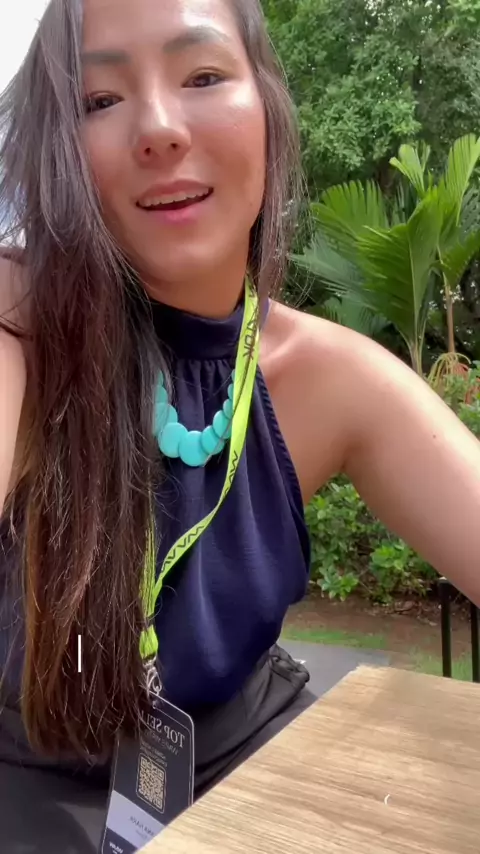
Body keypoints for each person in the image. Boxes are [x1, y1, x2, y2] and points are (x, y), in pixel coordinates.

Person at [1, 0, 480, 850]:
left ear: (266, 106)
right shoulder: (16, 326)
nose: (158, 128)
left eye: (203, 76)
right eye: (99, 100)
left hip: (256, 766)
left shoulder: (329, 377)